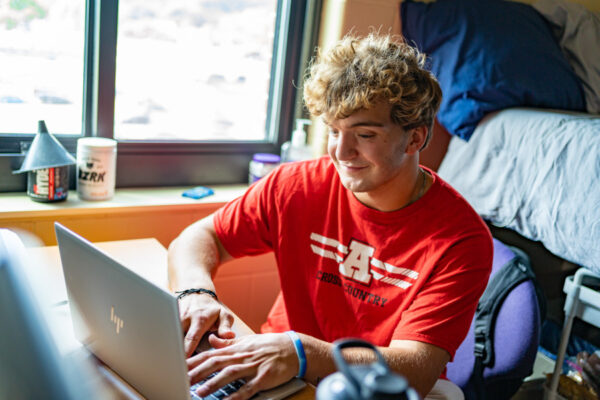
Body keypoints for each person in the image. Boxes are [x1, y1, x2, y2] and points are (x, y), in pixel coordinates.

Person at [168, 33, 493, 400]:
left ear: (415, 138)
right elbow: (198, 238)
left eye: (364, 134)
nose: (341, 151)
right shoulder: (296, 185)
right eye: (333, 131)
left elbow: (415, 367)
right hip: (280, 376)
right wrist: (195, 292)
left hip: (367, 391)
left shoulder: (461, 240)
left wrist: (302, 354)